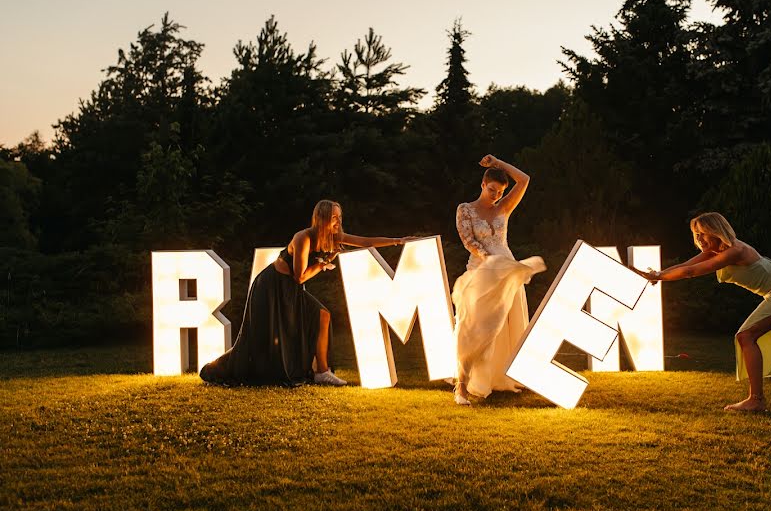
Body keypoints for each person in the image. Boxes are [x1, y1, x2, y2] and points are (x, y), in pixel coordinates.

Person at [633, 212, 771, 412]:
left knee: (746, 336)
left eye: (703, 234)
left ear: (717, 231)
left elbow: (690, 272)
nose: (699, 239)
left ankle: (756, 400)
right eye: (696, 234)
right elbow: (687, 264)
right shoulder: (715, 251)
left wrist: (658, 278)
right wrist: (658, 274)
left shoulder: (734, 251)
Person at [200, 199, 411, 387]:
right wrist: (322, 264)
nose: (338, 222)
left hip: (289, 287)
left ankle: (322, 372)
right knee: (260, 336)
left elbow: (365, 242)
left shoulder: (334, 237)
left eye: (339, 217)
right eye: (333, 217)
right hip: (271, 285)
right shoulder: (304, 238)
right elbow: (299, 276)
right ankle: (215, 368)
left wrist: (396, 241)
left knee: (322, 315)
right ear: (322, 218)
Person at [452, 155, 545, 405]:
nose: (495, 195)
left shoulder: (503, 207)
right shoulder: (466, 209)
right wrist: (487, 258)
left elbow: (524, 179)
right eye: (492, 190)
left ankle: (502, 375)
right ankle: (461, 387)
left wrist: (499, 164)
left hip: (506, 270)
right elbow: (468, 241)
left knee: (507, 325)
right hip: (482, 270)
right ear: (483, 185)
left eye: (500, 191)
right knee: (474, 327)